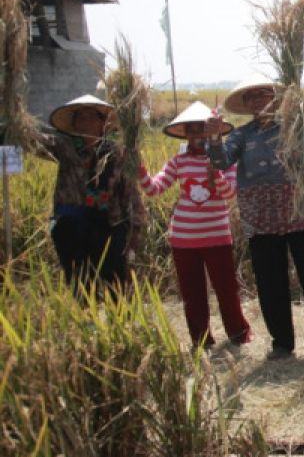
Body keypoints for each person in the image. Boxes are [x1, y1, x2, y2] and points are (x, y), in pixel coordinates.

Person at [207, 78, 304, 360]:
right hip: (260, 219)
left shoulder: (295, 128)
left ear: (277, 98)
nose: (259, 101)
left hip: (299, 213)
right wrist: (213, 139)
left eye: (264, 95)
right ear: (246, 106)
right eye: (252, 97)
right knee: (271, 281)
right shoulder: (241, 136)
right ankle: (282, 343)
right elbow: (221, 162)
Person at [139, 101, 253, 349]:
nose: (198, 135)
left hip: (217, 235)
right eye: (192, 130)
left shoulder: (226, 162)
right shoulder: (179, 161)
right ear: (186, 134)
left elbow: (229, 193)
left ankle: (238, 334)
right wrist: (139, 169)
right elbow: (153, 189)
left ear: (213, 132)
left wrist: (216, 175)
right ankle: (201, 340)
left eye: (203, 129)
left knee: (226, 289)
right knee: (193, 294)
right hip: (183, 238)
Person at [34, 94, 143, 293]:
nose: (86, 121)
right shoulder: (64, 147)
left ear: (103, 123)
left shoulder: (116, 153)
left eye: (92, 116)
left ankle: (118, 323)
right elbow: (33, 142)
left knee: (116, 285)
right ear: (74, 123)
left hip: (108, 225)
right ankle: (86, 321)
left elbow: (130, 193)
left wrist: (134, 229)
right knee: (79, 283)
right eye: (80, 117)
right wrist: (15, 119)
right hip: (71, 225)